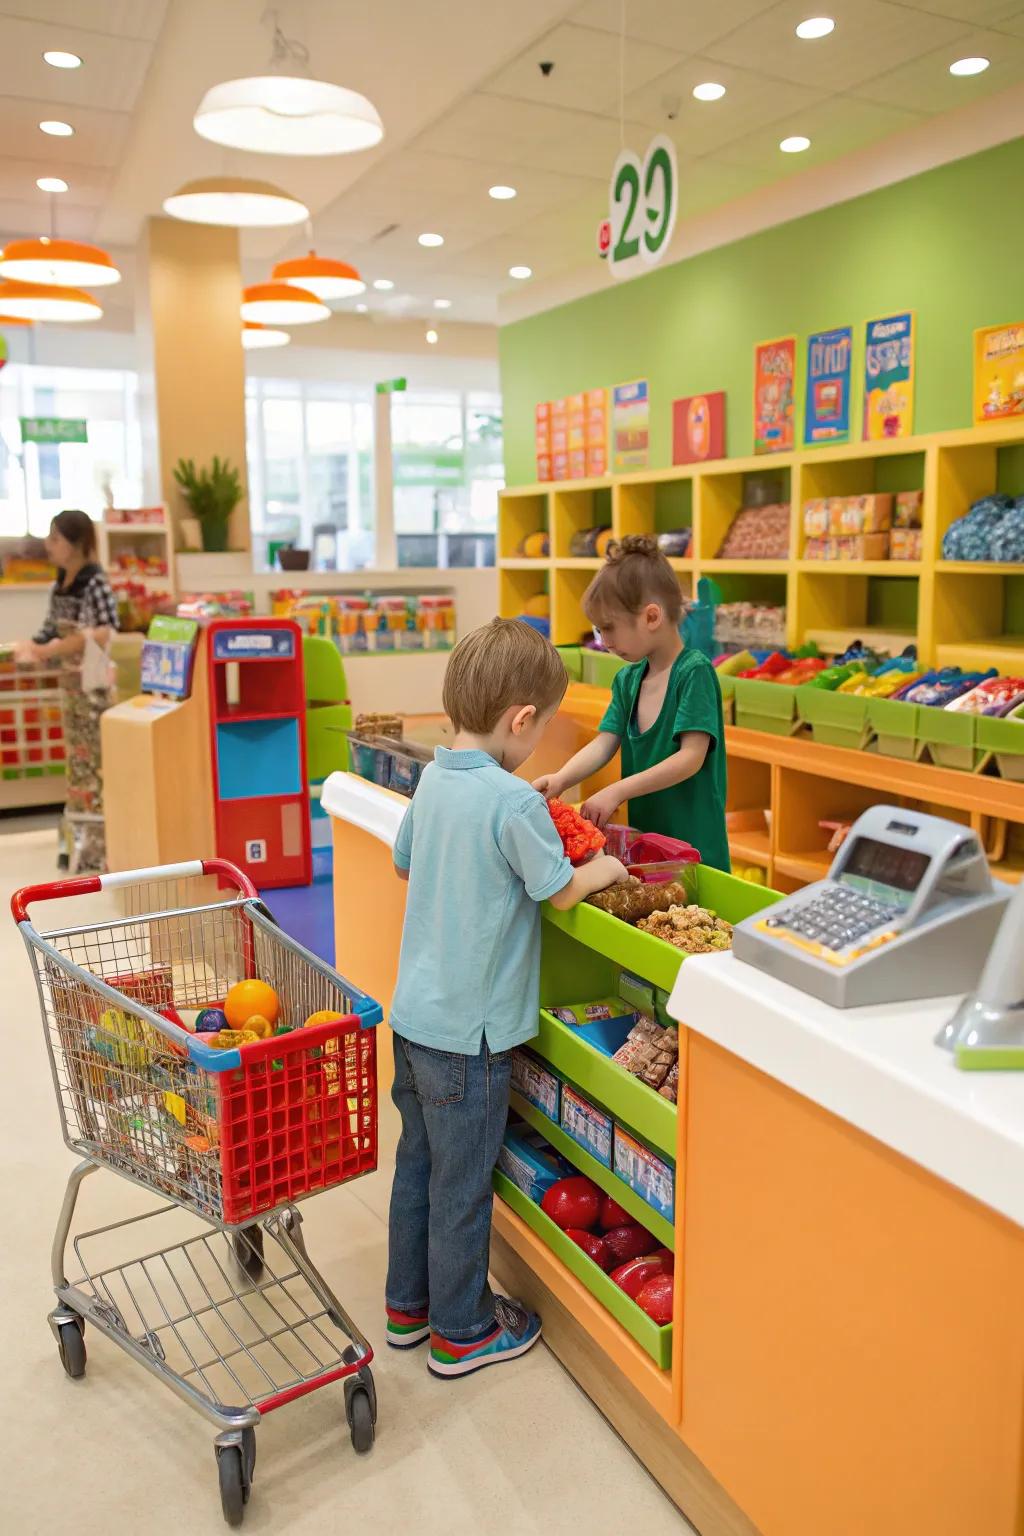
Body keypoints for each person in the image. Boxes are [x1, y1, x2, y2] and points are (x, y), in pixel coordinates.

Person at [385, 618, 628, 1379]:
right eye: (544, 728)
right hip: (472, 1039)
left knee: (418, 1167)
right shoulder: (512, 802)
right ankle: (462, 1330)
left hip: (415, 1018)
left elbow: (403, 863)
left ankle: (408, 1307)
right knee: (464, 1186)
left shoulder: (432, 780)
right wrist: (610, 872)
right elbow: (561, 892)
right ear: (521, 720)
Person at [533, 535, 730, 872]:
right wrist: (562, 779)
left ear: (652, 617)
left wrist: (616, 791)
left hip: (697, 854)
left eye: (609, 628)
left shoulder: (694, 672)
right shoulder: (628, 681)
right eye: (599, 630)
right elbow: (605, 742)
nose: (605, 642)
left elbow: (690, 758)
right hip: (648, 849)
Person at [15, 510, 118, 872]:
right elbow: (48, 630)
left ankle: (100, 847)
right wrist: (31, 646)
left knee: (95, 766)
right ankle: (82, 843)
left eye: (55, 538)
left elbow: (106, 631)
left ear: (75, 544)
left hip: (93, 689)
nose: (48, 545)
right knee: (77, 764)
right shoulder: (61, 580)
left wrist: (57, 647)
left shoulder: (95, 581)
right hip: (70, 690)